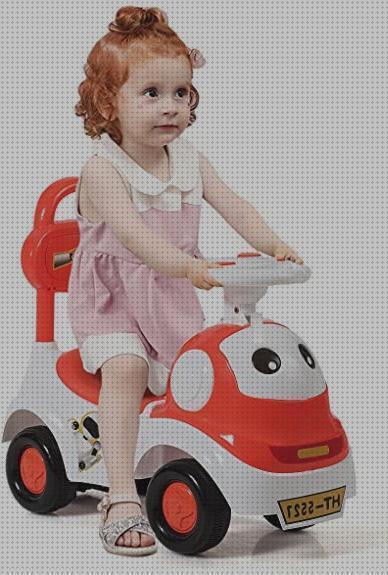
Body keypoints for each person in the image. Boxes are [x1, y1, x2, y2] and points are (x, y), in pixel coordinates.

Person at [68, 5, 304, 556]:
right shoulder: (102, 169)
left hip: (171, 298)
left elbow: (234, 204)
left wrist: (273, 244)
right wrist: (189, 266)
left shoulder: (190, 160)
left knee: (209, 373)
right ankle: (121, 495)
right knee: (127, 369)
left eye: (180, 92)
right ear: (109, 103)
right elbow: (135, 238)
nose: (170, 106)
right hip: (113, 303)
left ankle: (225, 465)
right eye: (151, 93)